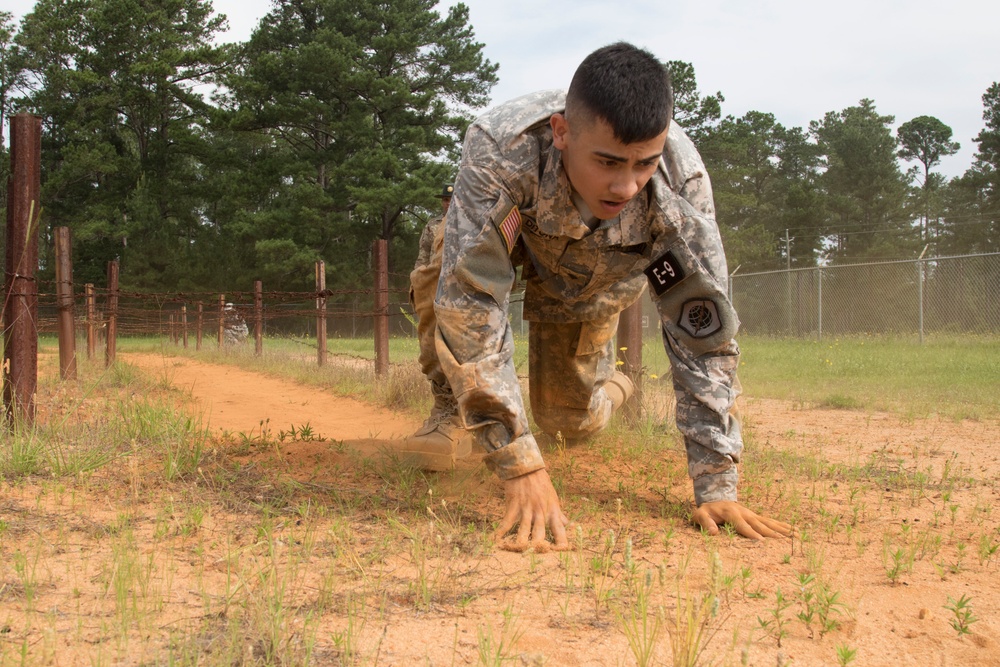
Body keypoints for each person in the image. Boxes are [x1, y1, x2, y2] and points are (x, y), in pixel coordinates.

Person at [400, 42, 790, 551]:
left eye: (642, 164)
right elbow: (471, 300)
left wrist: (716, 483)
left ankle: (615, 386)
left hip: (592, 274)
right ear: (561, 133)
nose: (626, 185)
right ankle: (449, 406)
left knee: (566, 420)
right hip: (510, 236)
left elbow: (704, 335)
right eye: (607, 162)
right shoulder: (501, 147)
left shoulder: (681, 184)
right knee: (442, 261)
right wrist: (519, 464)